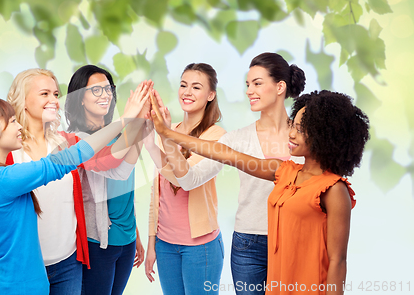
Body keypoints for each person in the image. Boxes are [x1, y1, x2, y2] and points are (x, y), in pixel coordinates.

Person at [150, 90, 370, 295]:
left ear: (324, 135)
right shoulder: (282, 171)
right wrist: (167, 133)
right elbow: (224, 153)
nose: (291, 133)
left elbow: (338, 260)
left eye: (301, 130)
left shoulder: (333, 190)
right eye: (293, 125)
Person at [0, 92, 148, 294]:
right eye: (11, 122)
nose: (19, 126)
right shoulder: (3, 180)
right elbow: (70, 157)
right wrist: (125, 119)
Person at [155, 53, 306, 294]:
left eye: (257, 83)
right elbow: (189, 179)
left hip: (295, 239)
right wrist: (165, 135)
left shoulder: (304, 138)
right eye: (248, 85)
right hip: (249, 244)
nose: (249, 91)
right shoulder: (236, 138)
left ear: (280, 87)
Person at [6, 68, 148, 294]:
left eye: (56, 94)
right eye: (45, 94)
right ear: (22, 101)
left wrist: (139, 123)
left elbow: (115, 169)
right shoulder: (10, 152)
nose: (54, 100)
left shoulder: (64, 141)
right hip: (30, 264)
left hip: (69, 261)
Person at [64, 65, 149, 295]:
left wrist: (136, 235)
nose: (105, 95)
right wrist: (131, 119)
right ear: (79, 98)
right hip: (98, 242)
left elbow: (123, 183)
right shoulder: (75, 140)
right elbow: (112, 163)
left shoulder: (121, 136)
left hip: (127, 240)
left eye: (108, 88)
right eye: (96, 90)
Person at [143, 63, 226, 295]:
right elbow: (157, 191)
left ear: (211, 95)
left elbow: (185, 179)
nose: (187, 92)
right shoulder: (169, 129)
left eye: (196, 87)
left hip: (200, 248)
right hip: (165, 245)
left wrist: (164, 138)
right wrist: (152, 243)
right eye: (183, 85)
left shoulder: (216, 137)